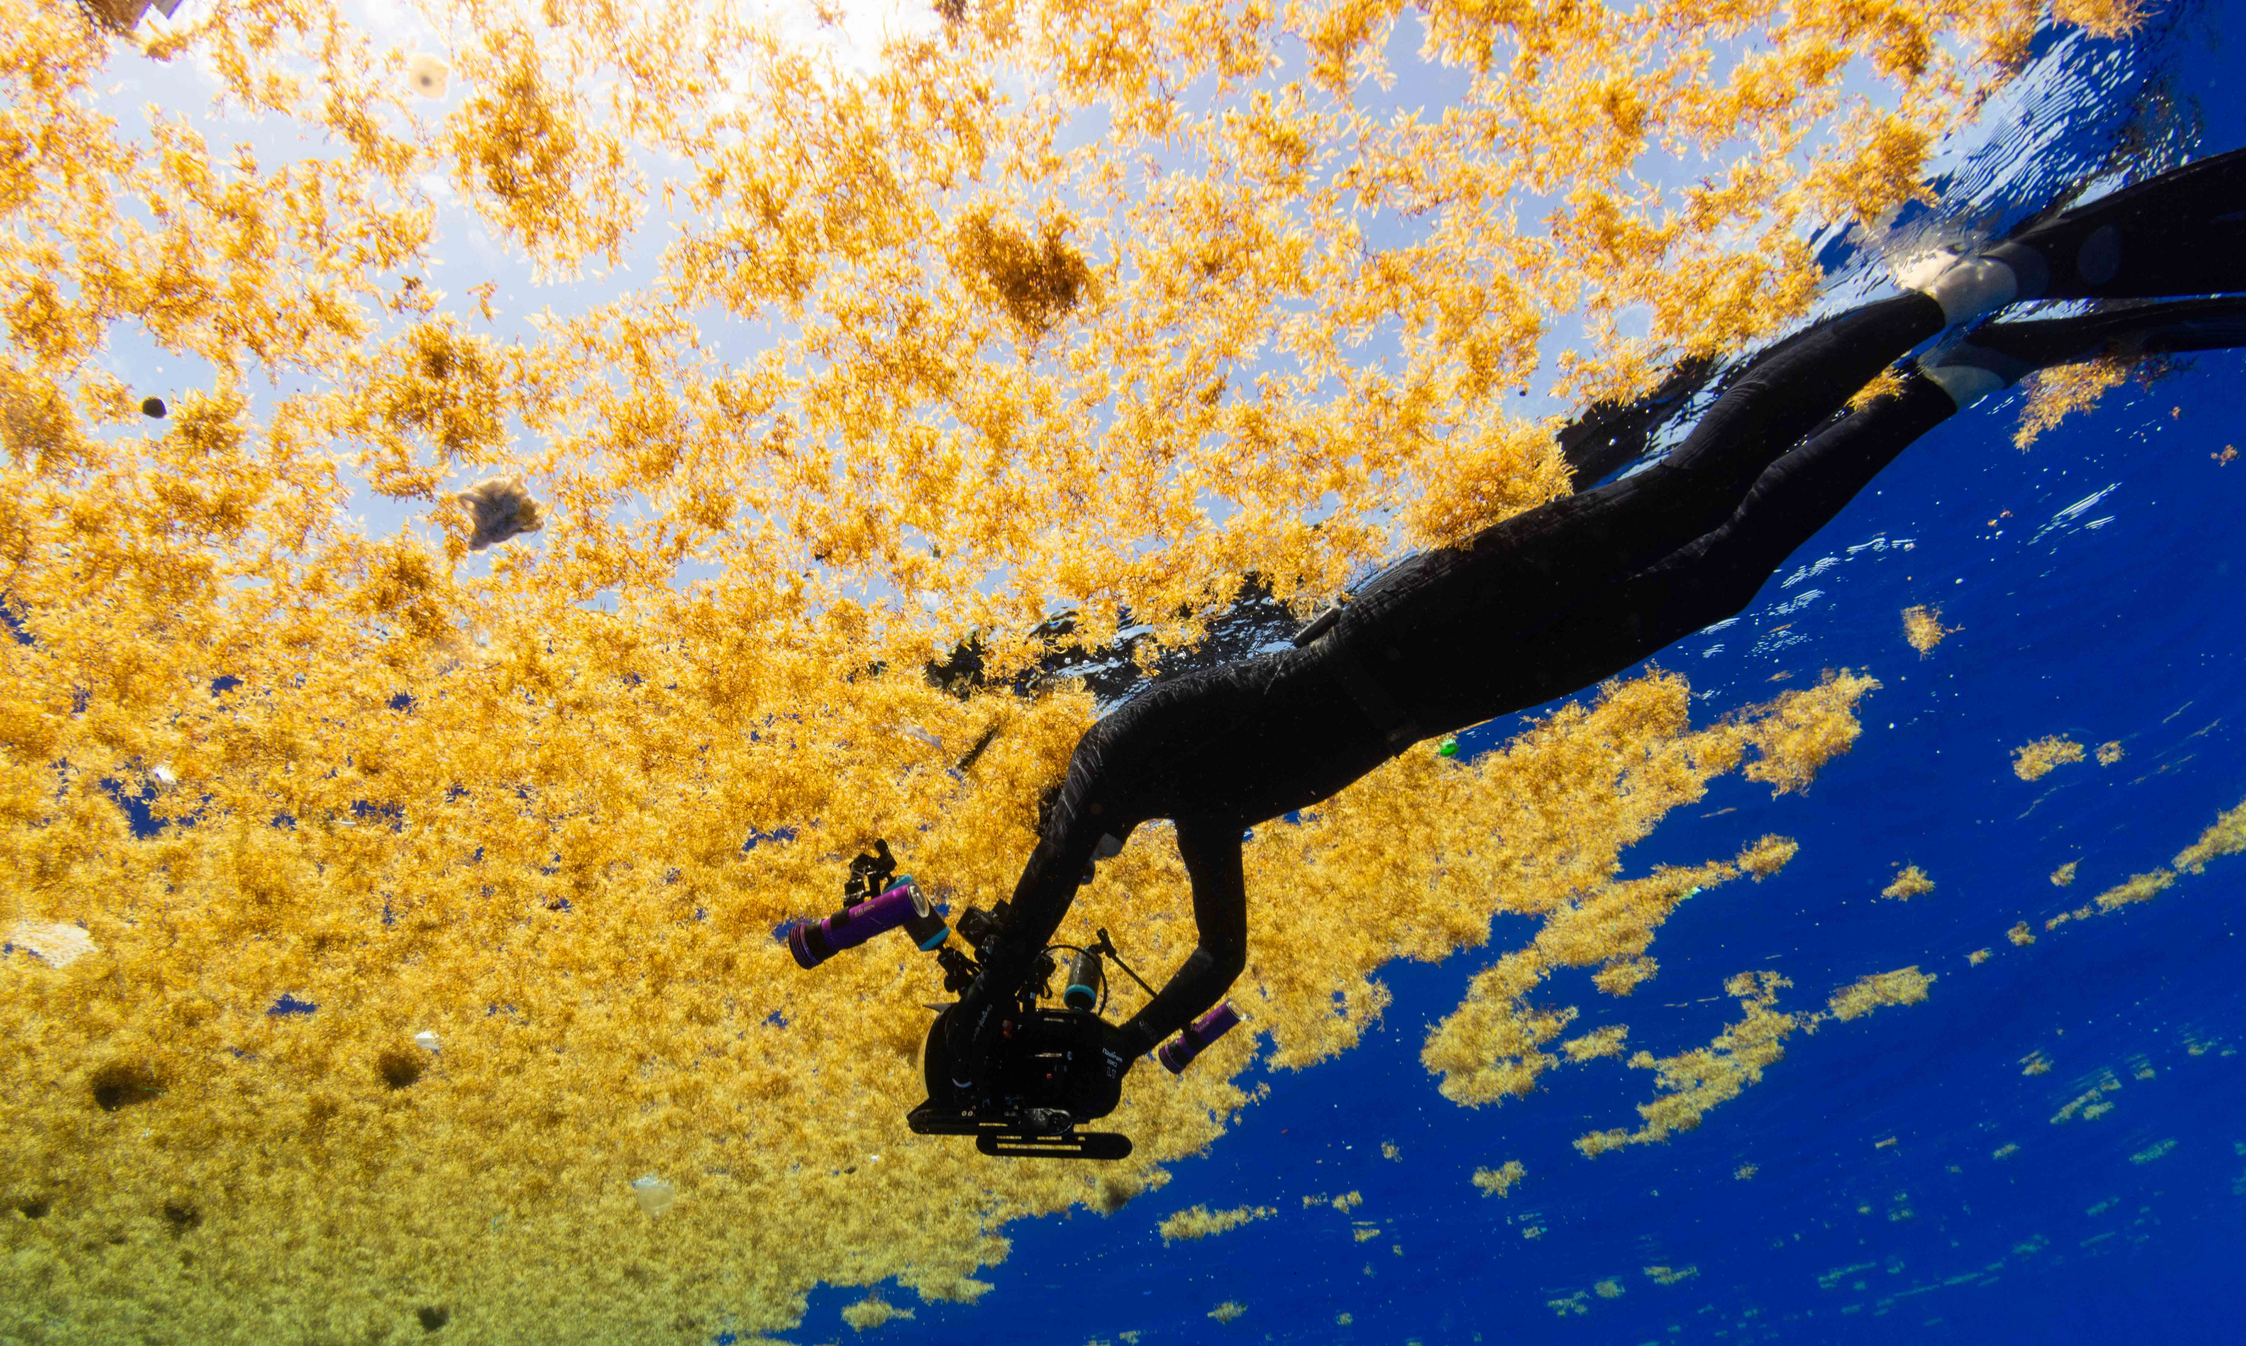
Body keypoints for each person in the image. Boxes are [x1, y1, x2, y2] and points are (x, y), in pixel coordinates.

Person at [929, 148, 2246, 1134]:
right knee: (1715, 578)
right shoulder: (1193, 810)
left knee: (1683, 494)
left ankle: (1967, 283)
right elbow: (1223, 955)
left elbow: (1053, 868)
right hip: (1466, 688)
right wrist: (1130, 1045)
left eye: (1063, 836)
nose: (1078, 879)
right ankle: (1962, 376)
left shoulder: (1124, 745)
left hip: (1409, 625)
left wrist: (986, 1010)